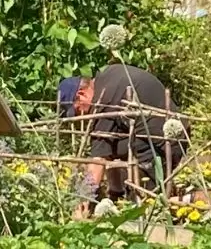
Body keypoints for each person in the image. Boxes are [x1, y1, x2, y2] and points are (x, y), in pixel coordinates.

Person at [59, 63, 182, 203]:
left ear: (81, 94)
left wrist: (82, 199)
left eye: (77, 110)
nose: (80, 116)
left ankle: (188, 199)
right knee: (113, 144)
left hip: (163, 145)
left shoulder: (105, 102)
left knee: (142, 205)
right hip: (171, 133)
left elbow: (97, 161)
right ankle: (117, 194)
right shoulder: (109, 73)